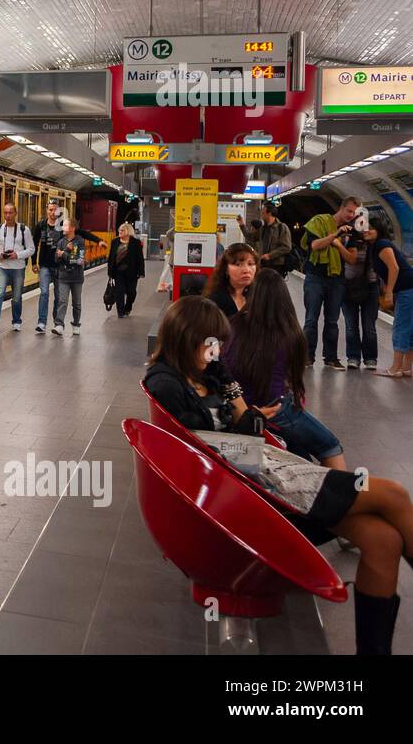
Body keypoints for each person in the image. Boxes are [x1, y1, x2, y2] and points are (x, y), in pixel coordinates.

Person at [145, 296, 413, 654]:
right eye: (212, 343)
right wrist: (245, 420)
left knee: (384, 540)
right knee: (393, 494)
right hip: (252, 493)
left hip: (262, 472)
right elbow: (201, 451)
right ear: (187, 337)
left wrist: (236, 400)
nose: (218, 351)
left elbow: (247, 421)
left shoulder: (206, 372)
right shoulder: (166, 382)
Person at [224, 271, 347, 469]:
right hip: (276, 410)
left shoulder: (232, 325)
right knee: (330, 446)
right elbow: (291, 380)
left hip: (241, 410)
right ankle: (342, 498)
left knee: (300, 450)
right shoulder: (291, 334)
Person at [301, 197, 360, 370]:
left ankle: (331, 358)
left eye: (354, 213)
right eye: (349, 211)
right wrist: (335, 235)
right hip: (315, 277)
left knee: (332, 321)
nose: (351, 215)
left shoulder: (352, 231)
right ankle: (307, 356)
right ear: (341, 208)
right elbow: (315, 245)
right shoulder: (319, 222)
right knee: (311, 319)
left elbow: (351, 258)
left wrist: (339, 245)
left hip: (336, 279)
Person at [370, 210, 413, 378]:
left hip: (407, 289)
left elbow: (394, 268)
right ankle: (407, 368)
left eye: (371, 228)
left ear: (378, 229)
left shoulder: (381, 244)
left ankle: (395, 369)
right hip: (409, 287)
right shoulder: (378, 244)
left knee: (400, 327)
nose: (366, 230)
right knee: (409, 329)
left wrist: (388, 293)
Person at [337, 212, 380, 370]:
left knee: (369, 326)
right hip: (348, 287)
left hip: (370, 286)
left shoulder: (375, 243)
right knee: (351, 325)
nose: (363, 228)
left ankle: (370, 358)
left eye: (365, 224)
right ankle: (353, 357)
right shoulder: (345, 239)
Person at [0, 202, 34, 332]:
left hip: (18, 268)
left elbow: (31, 249)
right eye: (5, 213)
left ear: (15, 213)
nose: (7, 215)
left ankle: (16, 321)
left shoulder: (24, 230)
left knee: (17, 296)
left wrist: (17, 255)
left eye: (10, 212)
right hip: (2, 267)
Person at [31, 200, 63, 334]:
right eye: (50, 210)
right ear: (47, 210)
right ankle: (42, 322)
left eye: (55, 210)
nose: (52, 213)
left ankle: (57, 323)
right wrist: (33, 263)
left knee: (58, 295)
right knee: (44, 293)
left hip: (59, 266)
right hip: (44, 265)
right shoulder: (40, 226)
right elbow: (34, 244)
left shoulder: (62, 227)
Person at [52, 216, 86, 336]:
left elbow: (80, 260)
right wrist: (66, 251)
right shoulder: (61, 242)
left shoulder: (80, 241)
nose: (63, 228)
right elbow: (56, 259)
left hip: (77, 278)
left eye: (65, 225)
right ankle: (59, 324)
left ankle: (76, 324)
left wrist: (64, 255)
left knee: (76, 303)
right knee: (62, 301)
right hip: (63, 277)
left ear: (72, 228)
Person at [203, 242, 257, 318]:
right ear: (226, 269)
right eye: (238, 264)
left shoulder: (259, 296)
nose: (246, 270)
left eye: (251, 264)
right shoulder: (215, 300)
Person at [239, 202, 293, 276]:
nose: (261, 215)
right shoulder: (263, 229)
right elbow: (250, 237)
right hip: (263, 264)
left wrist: (270, 255)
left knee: (273, 286)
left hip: (276, 266)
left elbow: (286, 247)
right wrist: (242, 225)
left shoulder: (282, 227)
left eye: (263, 213)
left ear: (269, 213)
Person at [107, 222, 145, 317]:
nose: (120, 231)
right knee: (119, 292)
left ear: (128, 231)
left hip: (132, 273)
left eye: (122, 230)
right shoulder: (115, 241)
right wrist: (110, 272)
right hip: (118, 272)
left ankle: (128, 307)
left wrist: (141, 272)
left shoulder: (135, 243)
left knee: (131, 292)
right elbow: (111, 257)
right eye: (119, 230)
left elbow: (140, 258)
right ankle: (120, 312)